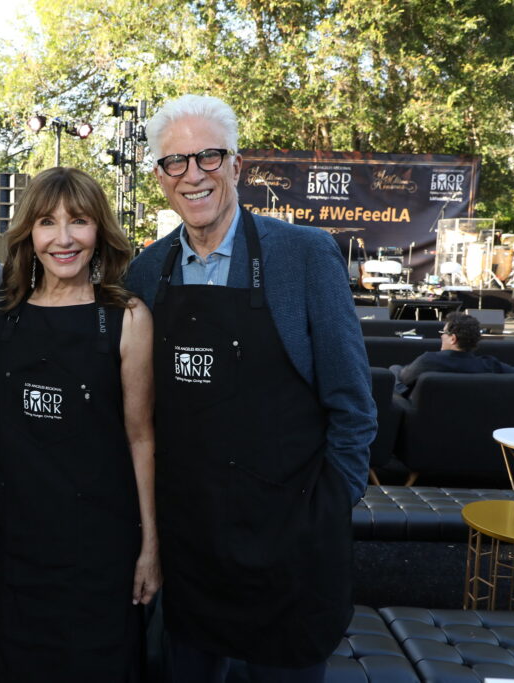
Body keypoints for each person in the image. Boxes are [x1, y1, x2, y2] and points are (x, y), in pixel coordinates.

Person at [126, 95, 377, 683]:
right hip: (192, 543)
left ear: (236, 165)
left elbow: (354, 403)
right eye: (175, 162)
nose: (193, 174)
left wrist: (331, 504)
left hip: (290, 543)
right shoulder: (144, 273)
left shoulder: (304, 256)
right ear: (160, 177)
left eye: (208, 156)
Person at [0, 167, 159, 682]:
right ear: (29, 232)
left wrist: (149, 546)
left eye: (79, 221)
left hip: (97, 552)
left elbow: (141, 437)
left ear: (99, 230)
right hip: (6, 549)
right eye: (48, 223)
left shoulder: (127, 317)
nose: (64, 238)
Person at [393, 312, 514, 396]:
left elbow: (403, 380)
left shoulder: (428, 361)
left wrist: (394, 369)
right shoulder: (489, 365)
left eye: (443, 333)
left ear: (453, 338)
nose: (441, 336)